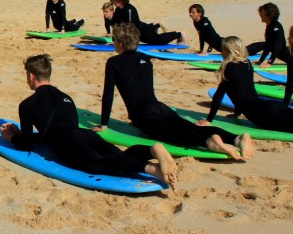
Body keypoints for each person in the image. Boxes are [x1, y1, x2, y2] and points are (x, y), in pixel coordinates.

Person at [0, 54, 177, 187]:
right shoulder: (66, 98)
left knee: (97, 165)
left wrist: (12, 137)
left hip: (67, 142)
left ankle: (154, 170)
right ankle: (152, 150)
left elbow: (27, 145)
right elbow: (55, 131)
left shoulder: (27, 104)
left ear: (31, 76)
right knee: (119, 156)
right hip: (85, 135)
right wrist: (20, 132)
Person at [101, 23, 252, 159]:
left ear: (120, 44)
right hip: (160, 107)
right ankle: (237, 138)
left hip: (143, 115)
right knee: (188, 126)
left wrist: (104, 124)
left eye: (114, 39)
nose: (113, 42)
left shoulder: (114, 62)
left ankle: (209, 142)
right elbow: (140, 87)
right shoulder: (146, 58)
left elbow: (108, 95)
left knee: (175, 134)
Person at [109, 0, 183, 45]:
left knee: (159, 41)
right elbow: (114, 23)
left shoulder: (129, 9)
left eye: (115, 1)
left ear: (120, 0)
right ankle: (157, 25)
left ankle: (178, 34)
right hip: (137, 32)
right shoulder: (118, 9)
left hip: (143, 31)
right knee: (152, 37)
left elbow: (130, 26)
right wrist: (114, 39)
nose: (113, 3)